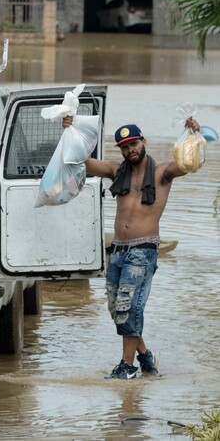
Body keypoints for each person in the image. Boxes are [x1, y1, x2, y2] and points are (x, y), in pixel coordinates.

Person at [63, 116, 202, 379]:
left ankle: (126, 366)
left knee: (129, 307)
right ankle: (145, 358)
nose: (130, 150)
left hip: (143, 250)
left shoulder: (162, 173)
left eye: (134, 144)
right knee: (117, 310)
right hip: (118, 251)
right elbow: (83, 161)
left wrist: (194, 134)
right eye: (125, 147)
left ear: (143, 142)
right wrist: (72, 130)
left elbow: (190, 164)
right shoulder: (117, 171)